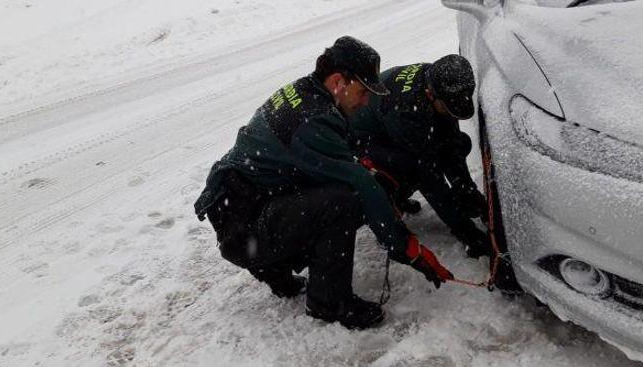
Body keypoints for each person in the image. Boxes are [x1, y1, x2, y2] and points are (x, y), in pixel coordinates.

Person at [193, 36, 454, 330]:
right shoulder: (310, 119)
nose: (367, 100)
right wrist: (408, 248)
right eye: (364, 91)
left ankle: (274, 268)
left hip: (241, 212)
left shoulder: (309, 94)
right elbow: (360, 185)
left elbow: (339, 151)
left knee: (340, 191)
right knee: (345, 201)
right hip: (243, 226)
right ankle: (329, 302)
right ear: (338, 81)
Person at [349, 55, 492, 260]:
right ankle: (391, 200)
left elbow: (450, 143)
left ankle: (404, 192)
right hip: (364, 143)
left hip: (393, 124)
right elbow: (430, 179)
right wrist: (466, 231)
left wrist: (466, 189)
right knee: (412, 167)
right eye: (448, 108)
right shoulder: (405, 112)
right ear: (430, 94)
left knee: (459, 143)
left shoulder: (441, 80)